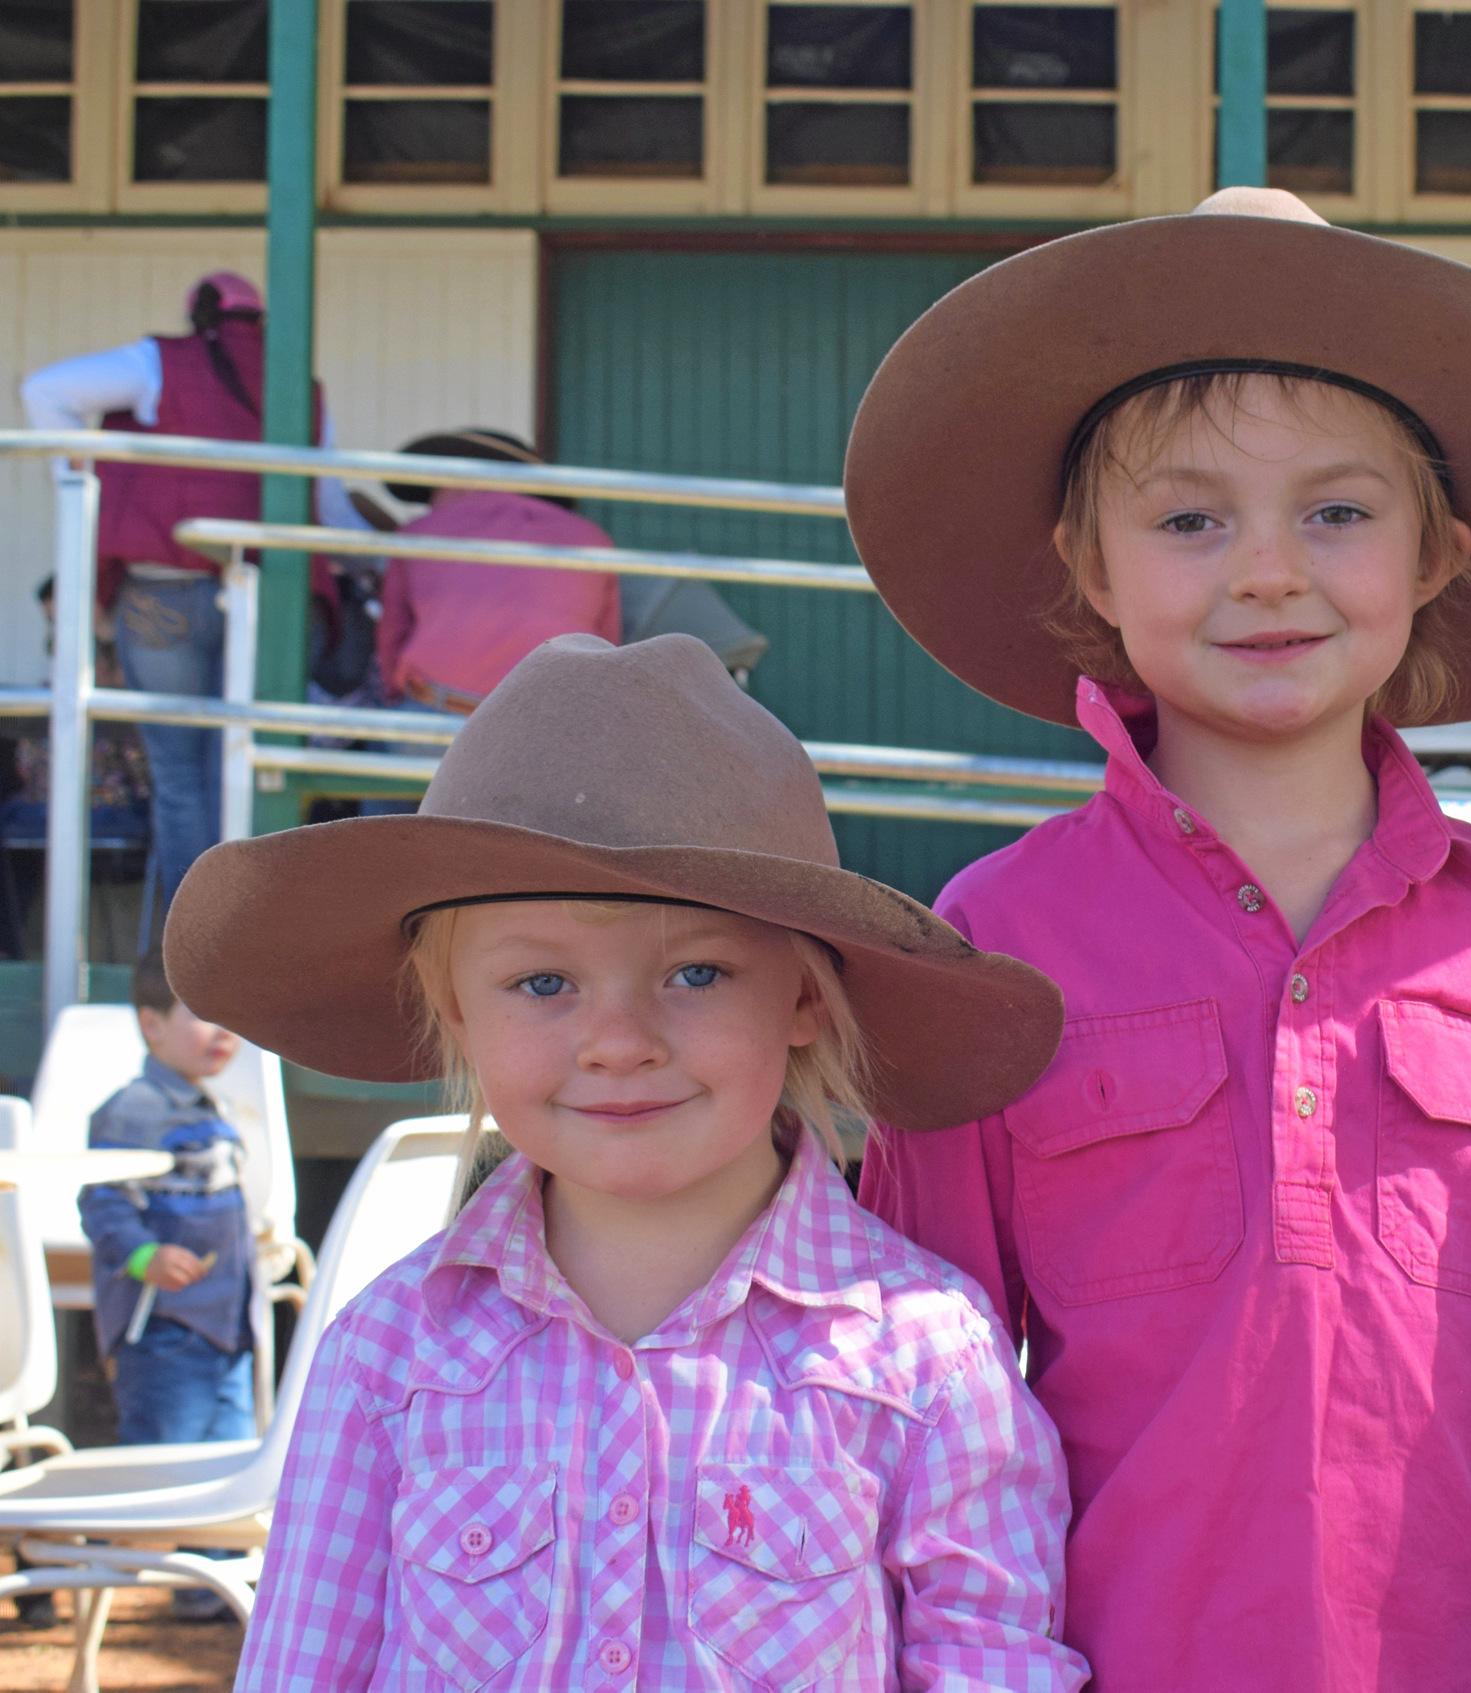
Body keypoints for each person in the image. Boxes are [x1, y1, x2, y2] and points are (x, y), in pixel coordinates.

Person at [845, 186, 1471, 1688]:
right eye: (1188, 518)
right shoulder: (995, 933)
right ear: (1089, 570)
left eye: (1337, 511)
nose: (1270, 568)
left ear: (1434, 554)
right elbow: (924, 1388)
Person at [163, 634, 1087, 1689]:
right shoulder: (386, 1361)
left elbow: (993, 1662)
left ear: (803, 998)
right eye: (543, 984)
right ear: (456, 1012)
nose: (619, 1040)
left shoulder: (927, 1362)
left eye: (696, 970)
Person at [18, 272, 366, 941]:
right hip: (268, 592)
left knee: (179, 772)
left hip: (159, 592)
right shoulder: (298, 386)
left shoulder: (158, 363)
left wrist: (87, 488)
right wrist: (383, 559)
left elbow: (45, 392)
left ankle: (194, 944)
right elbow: (330, 507)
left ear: (197, 315)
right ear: (261, 320)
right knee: (247, 759)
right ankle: (252, 935)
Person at [75, 948, 265, 1623]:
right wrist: (143, 1255)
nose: (223, 1031)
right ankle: (71, 1559)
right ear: (150, 1024)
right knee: (156, 1459)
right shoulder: (132, 1107)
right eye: (202, 1015)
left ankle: (203, 1586)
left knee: (224, 1462)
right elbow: (101, 1201)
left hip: (226, 1325)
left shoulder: (214, 1104)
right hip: (163, 1328)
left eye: (228, 1018)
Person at [376, 428, 621, 715]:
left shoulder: (419, 534)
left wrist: (393, 691)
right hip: (554, 717)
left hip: (442, 708)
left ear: (462, 482)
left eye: (434, 492)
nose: (431, 505)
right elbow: (606, 644)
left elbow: (392, 634)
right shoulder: (592, 538)